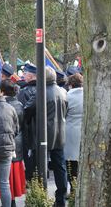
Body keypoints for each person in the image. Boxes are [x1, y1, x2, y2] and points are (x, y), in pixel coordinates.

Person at [24, 67, 68, 207]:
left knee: (39, 168)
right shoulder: (62, 92)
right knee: (60, 167)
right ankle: (60, 199)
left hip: (42, 135)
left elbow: (27, 111)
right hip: (60, 133)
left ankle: (41, 197)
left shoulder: (40, 92)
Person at [0, 79, 26, 206]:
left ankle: (9, 202)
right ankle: (12, 201)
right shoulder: (20, 105)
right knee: (13, 177)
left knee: (6, 177)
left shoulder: (2, 105)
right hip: (18, 142)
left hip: (6, 143)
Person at [17, 63, 37, 181]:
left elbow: (22, 112)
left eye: (25, 73)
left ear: (30, 76)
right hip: (41, 128)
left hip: (28, 129)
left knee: (29, 155)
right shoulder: (42, 89)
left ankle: (30, 178)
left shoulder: (24, 92)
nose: (23, 75)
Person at [64, 73, 83, 192]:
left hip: (70, 131)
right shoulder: (88, 94)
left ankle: (73, 189)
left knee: (71, 164)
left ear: (70, 85)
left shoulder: (67, 96)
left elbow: (63, 113)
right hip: (84, 132)